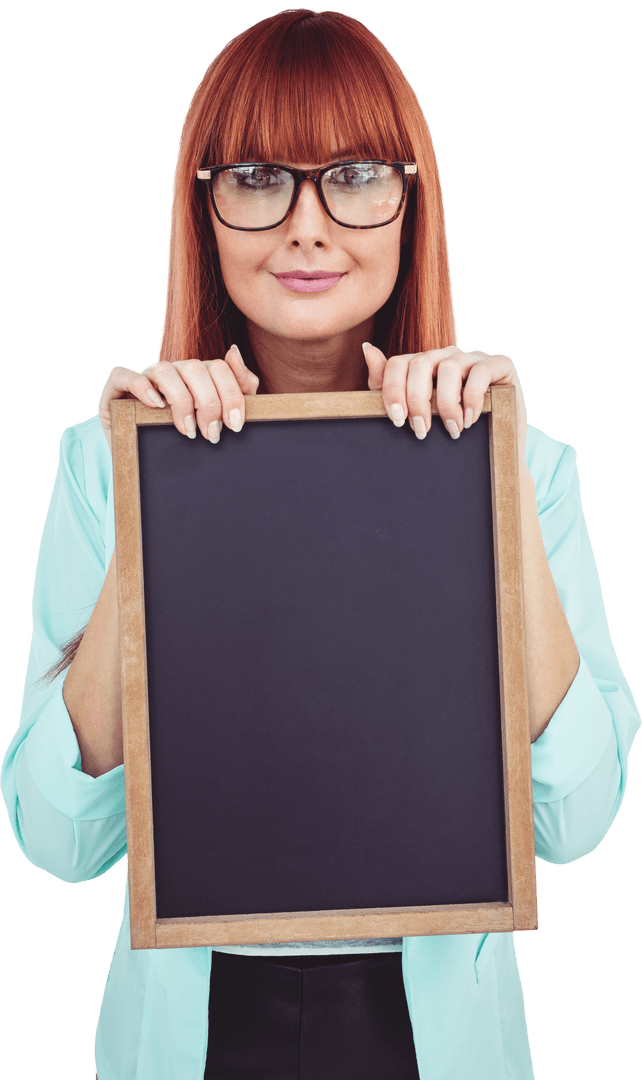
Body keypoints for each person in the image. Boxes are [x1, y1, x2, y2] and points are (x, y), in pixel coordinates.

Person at [1, 8, 639, 1080]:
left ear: (410, 207)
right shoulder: (97, 464)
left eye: (353, 175)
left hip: (437, 1034)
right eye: (256, 177)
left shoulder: (529, 466)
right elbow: (61, 841)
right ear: (203, 211)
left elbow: (574, 819)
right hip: (191, 1031)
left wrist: (492, 461)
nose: (306, 226)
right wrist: (149, 478)